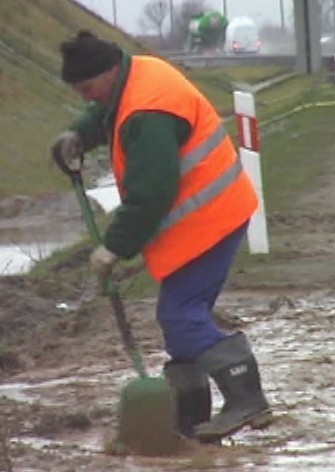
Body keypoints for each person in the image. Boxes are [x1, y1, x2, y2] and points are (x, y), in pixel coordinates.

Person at [51, 30, 272, 443]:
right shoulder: (137, 74)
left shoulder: (146, 112)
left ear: (108, 71)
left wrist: (113, 247)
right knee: (180, 318)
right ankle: (190, 419)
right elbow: (107, 111)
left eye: (87, 88)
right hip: (212, 217)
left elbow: (151, 194)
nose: (86, 98)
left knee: (180, 316)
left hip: (209, 222)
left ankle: (247, 398)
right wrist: (79, 135)